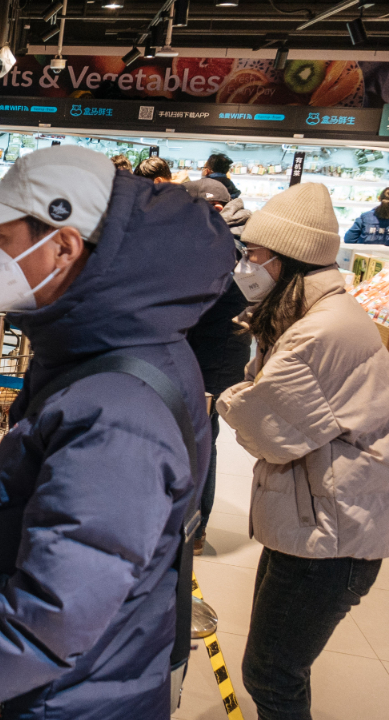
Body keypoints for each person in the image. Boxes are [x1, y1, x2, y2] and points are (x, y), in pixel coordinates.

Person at [0, 145, 235, 719]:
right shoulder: (95, 343)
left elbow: (48, 621)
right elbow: (17, 494)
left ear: (62, 247)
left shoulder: (117, 414)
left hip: (70, 701)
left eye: (2, 239)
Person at [217, 182, 389, 720]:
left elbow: (263, 426)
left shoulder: (320, 332)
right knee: (275, 667)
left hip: (330, 536)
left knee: (272, 673)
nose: (246, 265)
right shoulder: (305, 316)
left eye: (255, 255)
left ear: (288, 261)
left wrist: (225, 399)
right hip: (316, 520)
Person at [182, 178, 253, 554]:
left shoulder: (225, 244)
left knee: (199, 440)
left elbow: (199, 300)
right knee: (199, 438)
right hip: (213, 353)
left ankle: (193, 530)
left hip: (211, 358)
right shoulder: (231, 237)